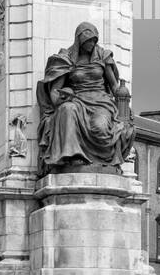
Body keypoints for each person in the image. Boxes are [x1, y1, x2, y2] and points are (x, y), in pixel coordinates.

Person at [36, 22, 134, 174]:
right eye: (89, 41)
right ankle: (73, 157)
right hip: (76, 100)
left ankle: (103, 162)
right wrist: (62, 98)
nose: (92, 44)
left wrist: (124, 103)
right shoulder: (66, 58)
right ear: (79, 40)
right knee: (67, 109)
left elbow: (114, 87)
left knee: (100, 127)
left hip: (101, 102)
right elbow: (55, 93)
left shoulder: (103, 55)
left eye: (94, 40)